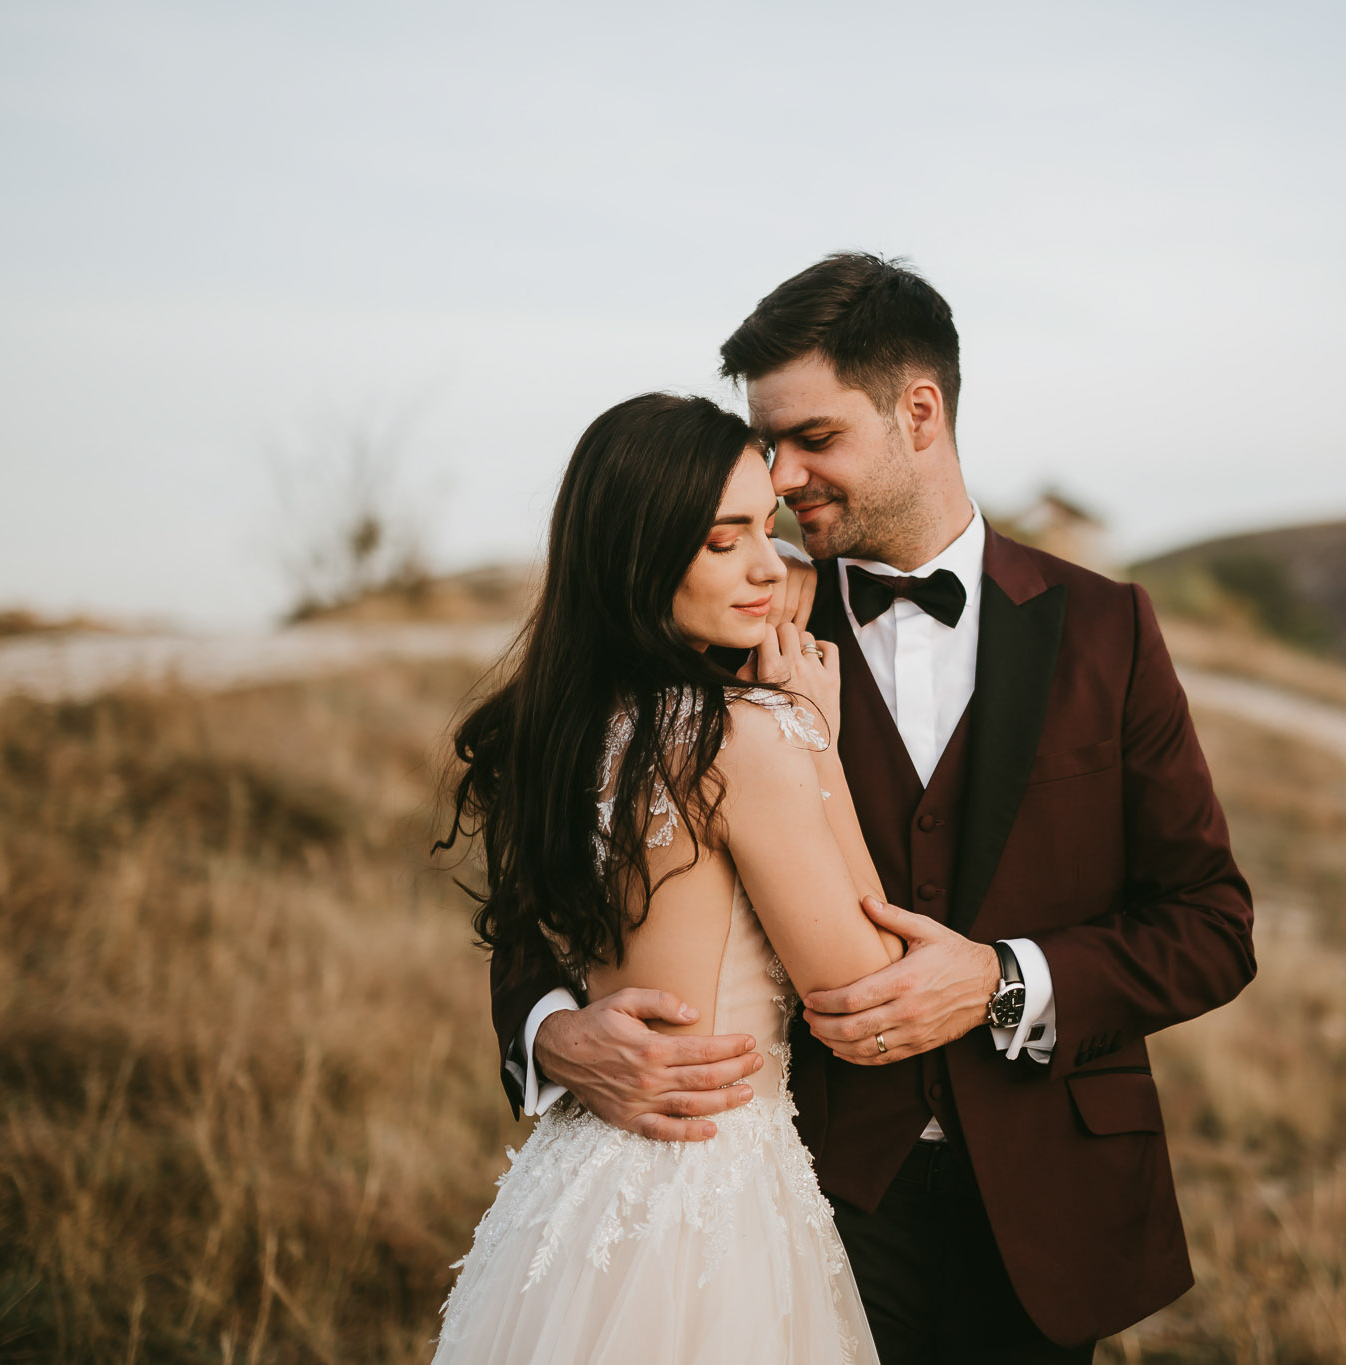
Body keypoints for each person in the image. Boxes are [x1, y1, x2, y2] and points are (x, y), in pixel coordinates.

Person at [495, 254, 1257, 1363]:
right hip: (806, 1196)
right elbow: (557, 868)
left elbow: (1209, 922)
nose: (786, 476)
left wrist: (1001, 980)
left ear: (918, 411)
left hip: (1046, 1203)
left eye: (814, 438)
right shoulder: (735, 614)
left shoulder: (1107, 629)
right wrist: (553, 1034)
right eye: (768, 445)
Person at [432, 391, 899, 1363]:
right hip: (708, 1189)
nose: (770, 565)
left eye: (764, 530)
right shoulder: (745, 736)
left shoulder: (568, 730)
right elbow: (862, 986)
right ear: (640, 556)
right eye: (722, 540)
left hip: (575, 1182)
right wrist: (820, 742)